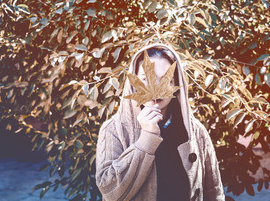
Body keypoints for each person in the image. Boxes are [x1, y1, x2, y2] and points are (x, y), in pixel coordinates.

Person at [96, 43, 225, 201]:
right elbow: (110, 191)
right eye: (145, 79)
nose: (155, 88)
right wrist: (146, 139)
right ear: (134, 84)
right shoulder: (114, 129)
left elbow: (214, 191)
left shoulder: (195, 130)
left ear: (176, 84)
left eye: (165, 80)